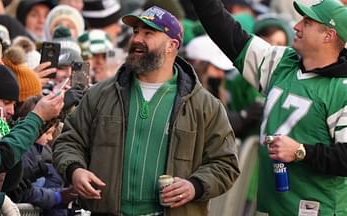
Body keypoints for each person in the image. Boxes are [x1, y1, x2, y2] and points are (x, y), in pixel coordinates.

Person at [53, 5, 239, 216]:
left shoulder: (205, 106)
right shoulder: (100, 94)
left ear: (172, 45)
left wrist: (194, 186)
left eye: (148, 33)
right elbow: (69, 141)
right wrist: (74, 170)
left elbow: (225, 163)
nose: (137, 39)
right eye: (136, 32)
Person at [190, 0, 347, 215]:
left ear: (328, 35)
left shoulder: (342, 89)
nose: (296, 26)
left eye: (308, 22)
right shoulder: (283, 63)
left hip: (320, 209)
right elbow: (230, 36)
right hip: (271, 207)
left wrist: (301, 151)